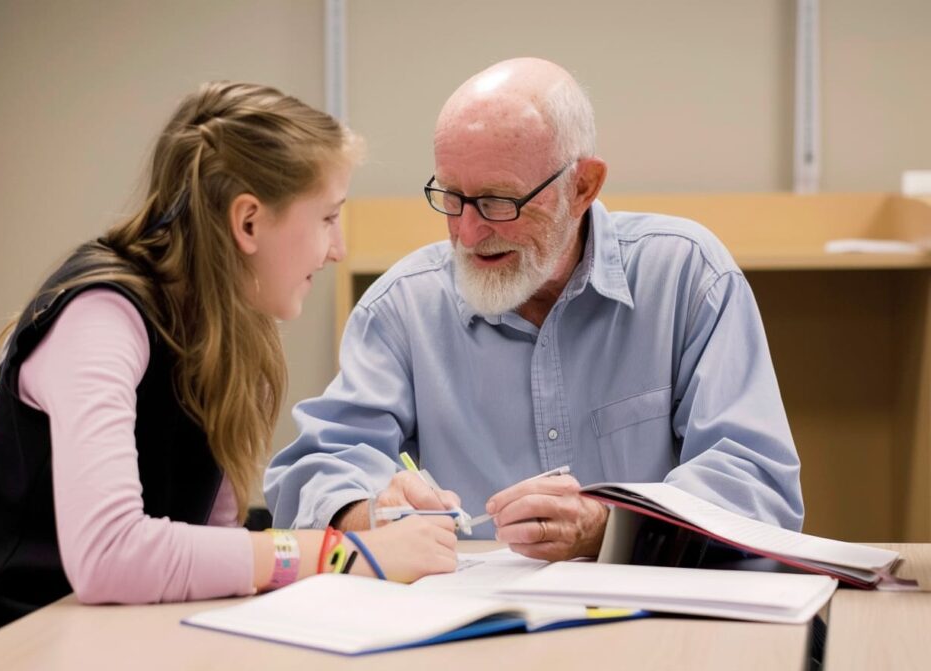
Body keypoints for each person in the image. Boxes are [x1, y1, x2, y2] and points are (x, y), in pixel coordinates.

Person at [0, 81, 457, 649]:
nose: (336, 248)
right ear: (248, 223)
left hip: (133, 640)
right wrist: (345, 555)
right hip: (25, 649)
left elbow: (213, 549)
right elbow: (110, 555)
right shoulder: (100, 318)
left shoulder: (230, 331)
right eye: (328, 218)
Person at [264, 58, 804, 561]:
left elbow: (757, 484)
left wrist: (608, 525)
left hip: (652, 626)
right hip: (466, 637)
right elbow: (312, 471)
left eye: (499, 201)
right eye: (451, 197)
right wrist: (373, 510)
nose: (468, 233)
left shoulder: (686, 276)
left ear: (583, 185)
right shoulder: (404, 308)